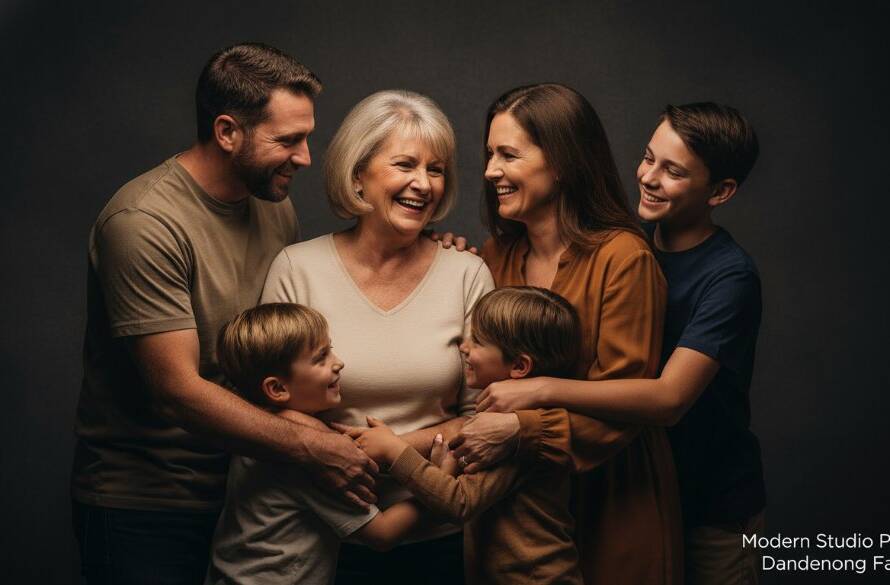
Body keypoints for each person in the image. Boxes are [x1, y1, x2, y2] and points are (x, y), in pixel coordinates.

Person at [72, 43, 377, 585]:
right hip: (147, 506)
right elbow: (178, 390)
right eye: (288, 140)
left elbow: (282, 342)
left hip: (245, 487)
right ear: (227, 131)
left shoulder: (272, 203)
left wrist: (430, 255)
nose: (306, 157)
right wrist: (313, 447)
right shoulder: (144, 222)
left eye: (306, 137)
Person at [478, 102, 765, 585]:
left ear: (721, 191)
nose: (649, 177)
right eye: (648, 158)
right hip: (617, 477)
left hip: (712, 499)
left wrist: (540, 389)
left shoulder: (727, 276)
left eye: (672, 171)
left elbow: (668, 398)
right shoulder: (633, 242)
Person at [449, 83, 683, 584]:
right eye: (490, 154)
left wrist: (523, 430)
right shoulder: (496, 256)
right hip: (518, 515)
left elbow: (626, 406)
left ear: (560, 162)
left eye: (508, 155)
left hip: (610, 498)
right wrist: (436, 257)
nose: (490, 171)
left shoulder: (624, 258)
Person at [260, 89, 495, 585]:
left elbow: (484, 417)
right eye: (405, 164)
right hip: (319, 545)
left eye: (436, 169)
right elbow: (271, 407)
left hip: (437, 534)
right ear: (358, 172)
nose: (423, 183)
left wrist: (393, 449)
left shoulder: (468, 274)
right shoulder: (296, 268)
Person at [338, 286, 585, 585]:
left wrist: (394, 450)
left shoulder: (513, 432)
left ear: (519, 366)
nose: (464, 346)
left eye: (478, 341)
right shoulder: (500, 418)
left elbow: (460, 504)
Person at [206, 303, 446, 585]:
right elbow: (383, 534)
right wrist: (439, 485)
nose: (338, 362)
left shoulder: (261, 432)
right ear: (278, 389)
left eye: (330, 349)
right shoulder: (311, 455)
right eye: (321, 358)